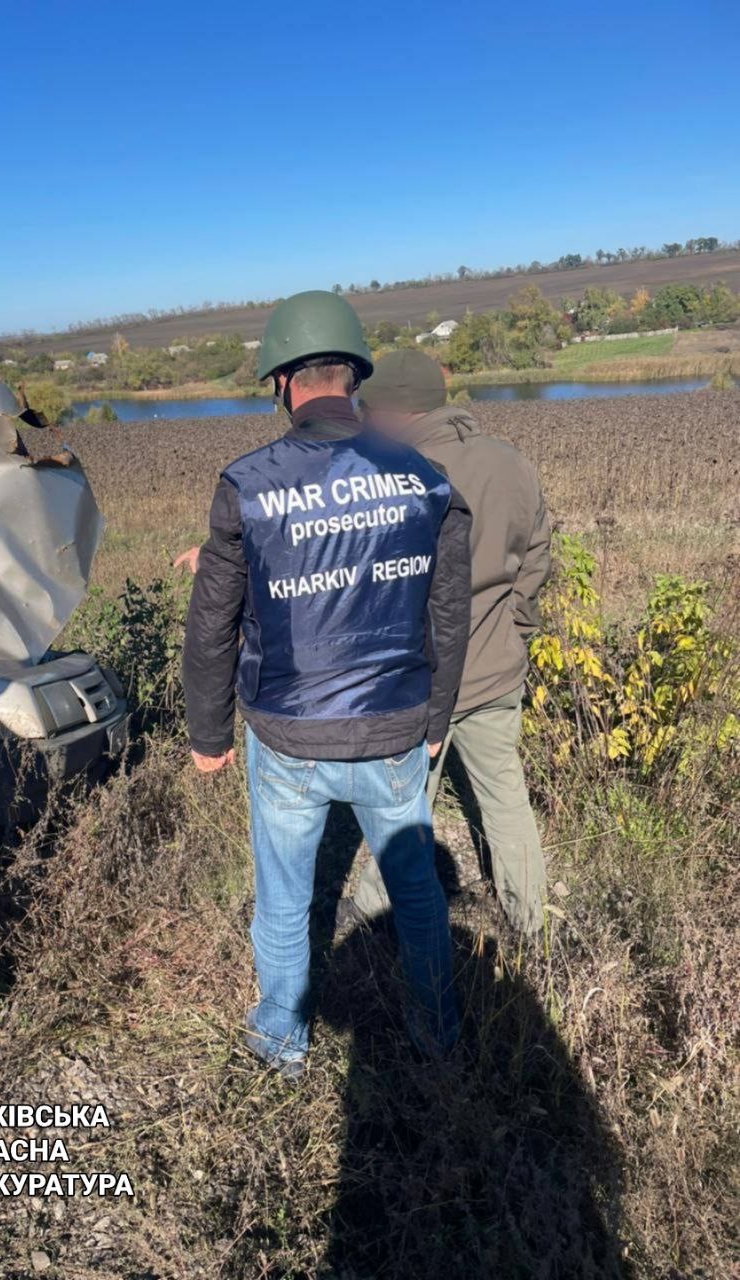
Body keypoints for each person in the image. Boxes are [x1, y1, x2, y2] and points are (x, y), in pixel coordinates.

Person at [181, 291, 472, 1077]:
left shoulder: (246, 484)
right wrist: (438, 717)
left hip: (286, 736)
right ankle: (438, 1032)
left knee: (283, 898)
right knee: (416, 894)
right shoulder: (427, 480)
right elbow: (448, 616)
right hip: (397, 731)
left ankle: (281, 1044)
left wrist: (208, 734)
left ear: (284, 382)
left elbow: (212, 622)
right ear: (354, 376)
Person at [346, 349, 551, 934]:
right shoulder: (508, 461)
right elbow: (536, 557)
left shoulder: (386, 475)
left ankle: (370, 911)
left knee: (402, 804)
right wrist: (516, 631)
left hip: (416, 682)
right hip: (496, 668)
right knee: (505, 796)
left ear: (389, 411)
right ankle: (533, 924)